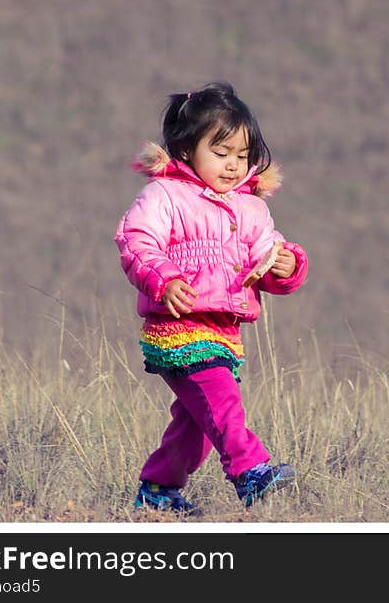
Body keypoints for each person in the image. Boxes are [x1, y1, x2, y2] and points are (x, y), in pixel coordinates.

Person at [115, 81, 308, 514]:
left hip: (224, 333)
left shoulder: (251, 209)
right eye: (221, 154)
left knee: (196, 426)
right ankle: (251, 470)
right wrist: (163, 280)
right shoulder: (164, 195)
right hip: (176, 328)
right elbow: (136, 242)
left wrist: (287, 265)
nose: (233, 166)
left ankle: (157, 491)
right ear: (186, 151)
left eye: (242, 156)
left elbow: (267, 255)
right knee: (222, 403)